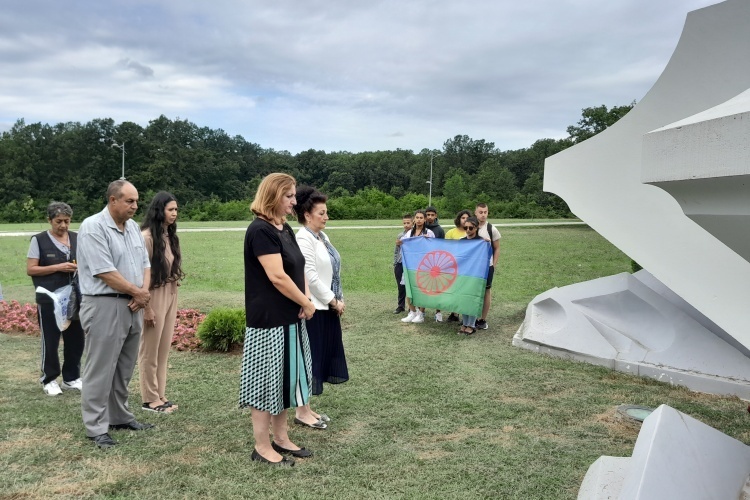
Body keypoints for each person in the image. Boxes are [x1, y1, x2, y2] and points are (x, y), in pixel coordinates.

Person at [241, 173, 316, 466]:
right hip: (268, 322)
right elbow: (277, 276)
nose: (294, 202)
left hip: (290, 317)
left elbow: (299, 267)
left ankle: (281, 438)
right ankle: (262, 446)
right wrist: (305, 302)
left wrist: (305, 299)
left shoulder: (284, 228)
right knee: (265, 383)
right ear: (273, 196)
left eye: (294, 195)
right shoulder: (260, 230)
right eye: (289, 196)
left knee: (284, 381)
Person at [77, 180, 153, 449]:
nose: (135, 206)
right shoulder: (93, 227)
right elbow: (104, 271)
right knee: (100, 368)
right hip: (104, 305)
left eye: (136, 201)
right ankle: (96, 426)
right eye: (129, 201)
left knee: (124, 367)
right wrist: (138, 293)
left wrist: (142, 293)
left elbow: (145, 264)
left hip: (133, 304)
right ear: (112, 200)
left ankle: (119, 417)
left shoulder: (132, 228)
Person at [294, 186, 349, 429]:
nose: (326, 217)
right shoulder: (303, 238)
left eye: (326, 212)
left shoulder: (321, 237)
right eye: (321, 213)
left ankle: (306, 408)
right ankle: (301, 411)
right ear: (307, 215)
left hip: (327, 307)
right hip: (315, 309)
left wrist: (338, 299)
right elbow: (310, 276)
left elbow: (333, 271)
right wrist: (332, 300)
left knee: (318, 358)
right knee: (310, 358)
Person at [26, 202, 85, 396]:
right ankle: (49, 379)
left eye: (67, 221)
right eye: (59, 221)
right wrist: (58, 267)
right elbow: (31, 269)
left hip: (74, 298)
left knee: (76, 338)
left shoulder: (77, 238)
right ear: (49, 220)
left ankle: (71, 377)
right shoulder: (39, 240)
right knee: (51, 340)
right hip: (49, 298)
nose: (63, 225)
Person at [138, 192, 185, 414]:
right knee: (150, 350)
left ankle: (160, 394)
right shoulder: (146, 238)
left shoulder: (169, 236)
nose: (174, 213)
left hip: (170, 292)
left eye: (176, 209)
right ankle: (149, 399)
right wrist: (147, 307)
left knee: (163, 349)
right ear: (159, 211)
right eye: (170, 209)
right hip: (153, 295)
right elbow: (140, 276)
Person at [400, 210, 435, 324]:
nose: (419, 220)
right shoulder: (409, 233)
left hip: (424, 266)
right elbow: (402, 243)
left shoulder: (429, 233)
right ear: (414, 219)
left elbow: (434, 248)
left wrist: (427, 240)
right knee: (409, 288)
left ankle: (421, 313)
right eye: (417, 217)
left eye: (421, 218)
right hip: (410, 265)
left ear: (425, 220)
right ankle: (412, 312)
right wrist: (401, 242)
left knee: (422, 289)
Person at [457, 216, 488, 335]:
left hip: (476, 275)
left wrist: (486, 243)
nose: (468, 230)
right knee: (463, 298)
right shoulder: (462, 241)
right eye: (466, 228)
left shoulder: (481, 241)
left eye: (471, 228)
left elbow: (485, 257)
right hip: (463, 274)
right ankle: (465, 323)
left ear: (476, 227)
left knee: (472, 298)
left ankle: (471, 324)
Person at [474, 203, 502, 330]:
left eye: (485, 212)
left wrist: (493, 265)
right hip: (473, 266)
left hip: (487, 266)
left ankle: (482, 319)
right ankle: (471, 317)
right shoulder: (470, 227)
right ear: (475, 213)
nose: (483, 215)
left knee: (486, 291)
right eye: (480, 212)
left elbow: (497, 248)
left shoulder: (492, 229)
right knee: (472, 290)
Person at [444, 209, 472, 322]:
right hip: (454, 264)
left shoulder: (471, 232)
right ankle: (454, 313)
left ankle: (466, 313)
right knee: (454, 288)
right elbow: (446, 248)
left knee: (464, 288)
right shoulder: (451, 232)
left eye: (467, 218)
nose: (465, 220)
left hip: (467, 265)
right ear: (458, 219)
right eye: (463, 218)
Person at [392, 213, 413, 314]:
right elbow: (396, 250)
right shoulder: (400, 235)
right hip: (400, 262)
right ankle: (400, 306)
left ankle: (411, 307)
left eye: (408, 223)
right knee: (400, 286)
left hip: (410, 263)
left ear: (412, 223)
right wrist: (395, 262)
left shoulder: (414, 235)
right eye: (404, 223)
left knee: (410, 286)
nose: (406, 225)